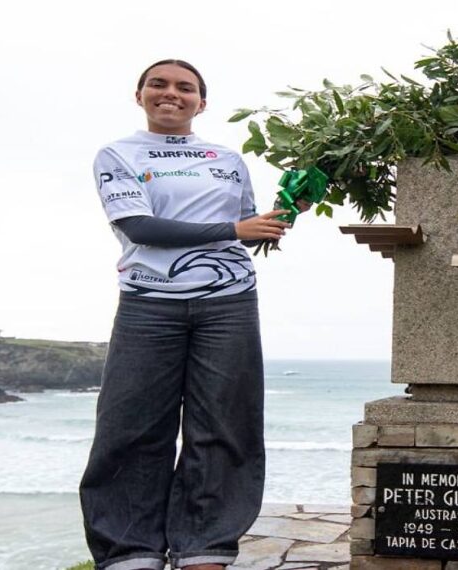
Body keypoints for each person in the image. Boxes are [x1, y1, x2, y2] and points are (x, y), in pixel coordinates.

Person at [80, 59, 293, 570]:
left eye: (185, 88)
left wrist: (286, 210)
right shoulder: (118, 154)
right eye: (159, 84)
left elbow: (247, 225)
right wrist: (236, 232)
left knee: (225, 425)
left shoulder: (228, 159)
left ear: (202, 102)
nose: (170, 93)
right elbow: (140, 226)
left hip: (230, 302)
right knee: (131, 427)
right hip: (148, 305)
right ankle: (131, 552)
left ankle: (206, 545)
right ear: (140, 96)